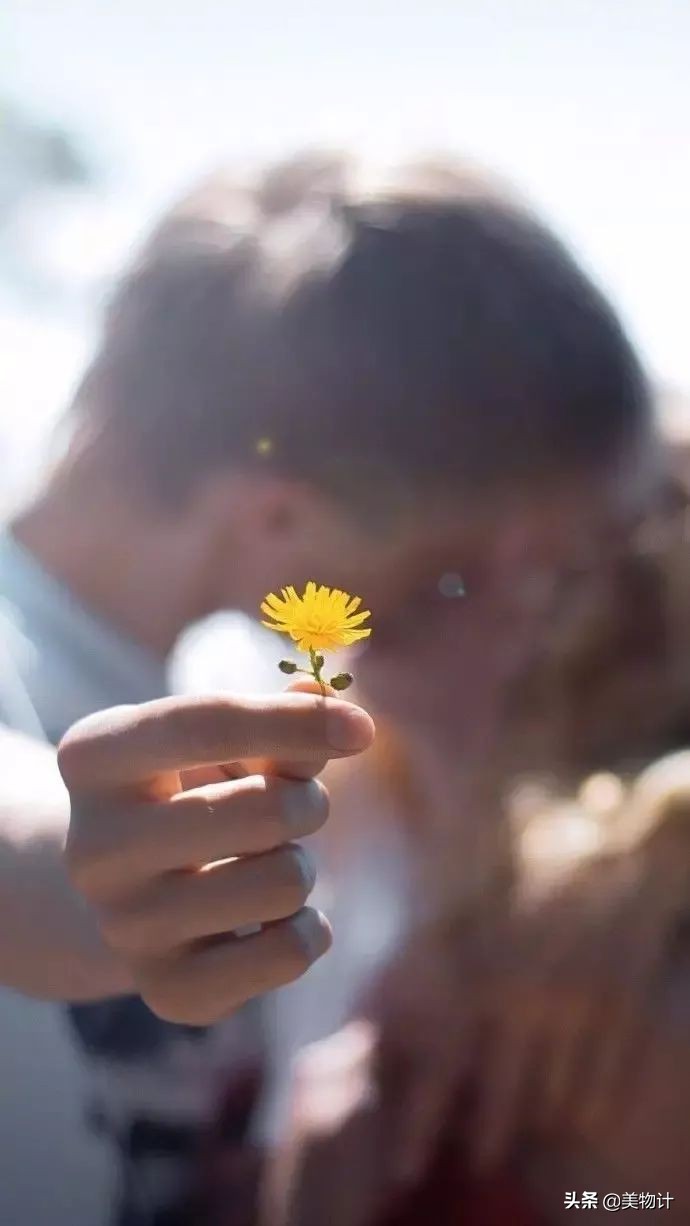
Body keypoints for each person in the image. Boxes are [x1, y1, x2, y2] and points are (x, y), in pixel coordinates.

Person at [0, 150, 653, 1224]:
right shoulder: (60, 710)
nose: (517, 617)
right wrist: (81, 874)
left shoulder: (231, 696)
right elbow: (44, 827)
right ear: (282, 524)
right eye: (462, 571)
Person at [263, 455, 690, 1226]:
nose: (411, 553)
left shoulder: (597, 965)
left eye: (544, 557)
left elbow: (650, 1201)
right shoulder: (323, 792)